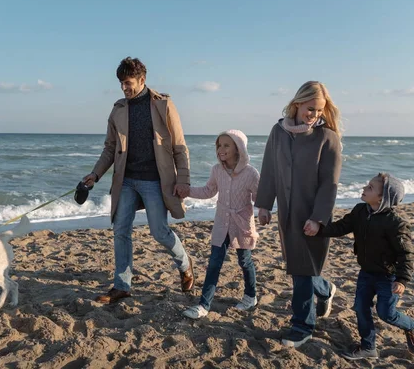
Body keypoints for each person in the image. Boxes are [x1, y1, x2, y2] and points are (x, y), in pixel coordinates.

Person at [81, 57, 194, 304]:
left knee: (159, 231)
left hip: (155, 180)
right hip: (127, 180)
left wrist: (183, 179)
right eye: (121, 83)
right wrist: (95, 174)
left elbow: (179, 147)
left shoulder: (163, 106)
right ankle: (122, 285)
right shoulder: (118, 110)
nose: (124, 88)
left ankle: (185, 262)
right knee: (120, 229)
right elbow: (110, 149)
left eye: (128, 82)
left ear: (142, 80)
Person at [255, 81, 343, 347]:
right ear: (297, 103)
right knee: (298, 267)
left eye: (319, 111)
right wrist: (264, 205)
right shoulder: (278, 131)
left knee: (303, 269)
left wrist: (318, 218)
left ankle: (302, 326)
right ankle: (326, 290)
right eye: (310, 109)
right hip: (287, 213)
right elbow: (269, 169)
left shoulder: (327, 137)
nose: (314, 115)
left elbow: (330, 183)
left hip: (312, 214)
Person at [306, 173, 414, 360]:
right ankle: (368, 347)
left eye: (370, 187)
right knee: (360, 308)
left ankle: (411, 326)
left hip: (388, 277)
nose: (365, 188)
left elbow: (406, 253)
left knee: (386, 313)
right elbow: (340, 227)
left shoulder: (395, 223)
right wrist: (319, 229)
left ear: (382, 198)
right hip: (366, 273)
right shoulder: (359, 211)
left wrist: (402, 280)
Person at [177, 130, 260, 319]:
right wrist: (187, 191)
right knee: (214, 263)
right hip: (222, 222)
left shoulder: (251, 173)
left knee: (245, 261)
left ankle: (250, 296)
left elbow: (259, 197)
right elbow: (208, 191)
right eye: (219, 145)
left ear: (239, 148)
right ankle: (204, 305)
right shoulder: (217, 170)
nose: (221, 149)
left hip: (242, 223)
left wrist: (265, 206)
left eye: (226, 145)